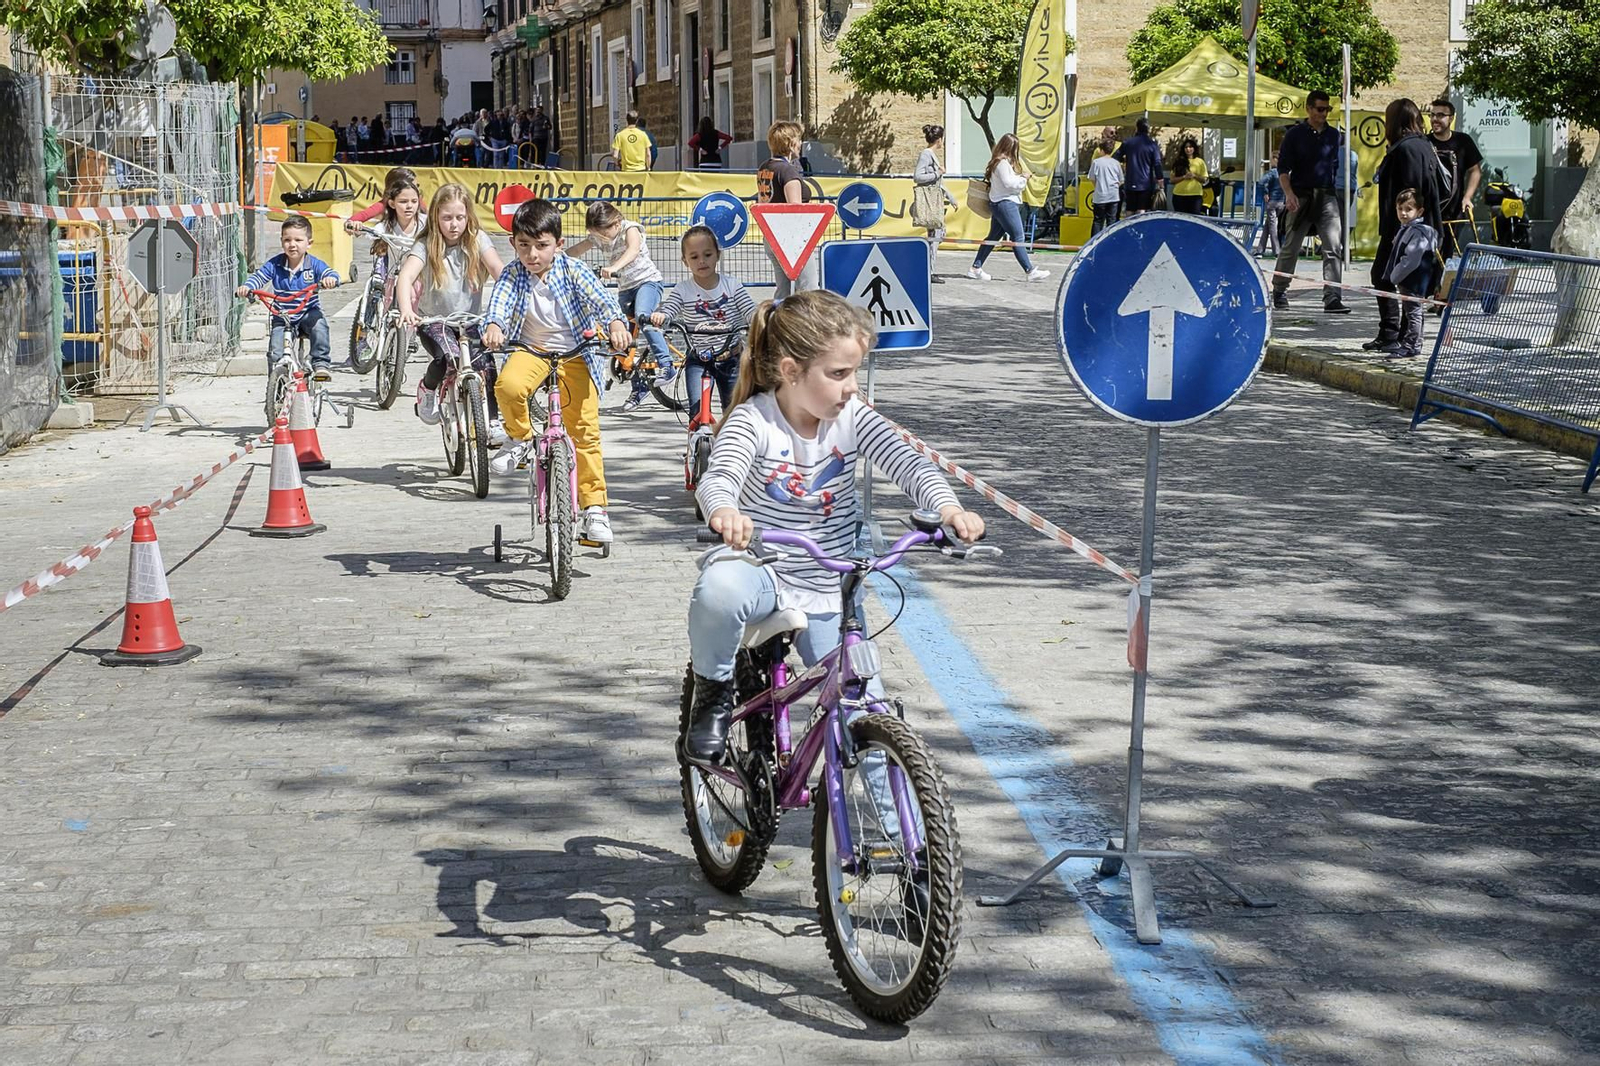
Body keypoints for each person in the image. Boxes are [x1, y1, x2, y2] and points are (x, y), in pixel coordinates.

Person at [681, 290, 986, 764]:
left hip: (829, 585)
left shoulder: (853, 419)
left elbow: (910, 464)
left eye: (855, 373)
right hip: (762, 566)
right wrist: (725, 512)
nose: (852, 388)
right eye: (839, 374)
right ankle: (713, 692)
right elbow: (720, 475)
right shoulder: (755, 421)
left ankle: (893, 834)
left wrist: (949, 511)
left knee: (865, 710)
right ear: (790, 372)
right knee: (719, 590)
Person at [481, 199, 631, 545]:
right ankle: (518, 438)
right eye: (524, 246)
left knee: (585, 433)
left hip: (576, 353)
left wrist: (615, 322)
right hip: (530, 350)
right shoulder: (512, 273)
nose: (532, 254)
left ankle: (595, 509)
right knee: (508, 386)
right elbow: (499, 305)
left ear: (559, 244)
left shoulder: (573, 270)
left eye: (541, 246)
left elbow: (603, 301)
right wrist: (494, 326)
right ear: (513, 244)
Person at [396, 182, 507, 432]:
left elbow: (498, 270)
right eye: (447, 218)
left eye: (459, 217)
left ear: (469, 216)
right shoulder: (425, 244)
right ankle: (428, 389)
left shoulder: (478, 239)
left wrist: (511, 303)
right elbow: (405, 277)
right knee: (446, 358)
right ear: (435, 216)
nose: (454, 224)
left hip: (471, 320)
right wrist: (406, 309)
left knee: (486, 365)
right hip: (434, 321)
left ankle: (492, 420)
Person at [566, 201, 674, 413]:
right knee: (621, 333)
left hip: (647, 283)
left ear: (615, 223)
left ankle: (667, 364)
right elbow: (577, 249)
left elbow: (633, 250)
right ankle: (639, 387)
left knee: (644, 317)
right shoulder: (598, 236)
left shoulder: (629, 228)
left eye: (603, 233)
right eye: (596, 234)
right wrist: (554, 256)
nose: (600, 238)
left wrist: (614, 267)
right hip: (626, 288)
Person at [648, 225, 756, 411]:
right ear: (685, 261)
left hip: (731, 358)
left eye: (707, 254)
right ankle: (696, 436)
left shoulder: (732, 286)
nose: (702, 261)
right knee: (697, 411)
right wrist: (662, 316)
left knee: (735, 413)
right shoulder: (683, 289)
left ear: (717, 255)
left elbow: (749, 310)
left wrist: (758, 318)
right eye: (694, 257)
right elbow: (670, 309)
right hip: (698, 357)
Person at [1366, 99, 1443, 352]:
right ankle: (1395, 335)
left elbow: (1411, 190)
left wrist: (1402, 228)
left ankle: (1395, 335)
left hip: (1405, 229)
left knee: (1385, 276)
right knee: (1399, 281)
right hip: (1416, 227)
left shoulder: (1406, 149)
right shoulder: (1423, 145)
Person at [1271, 90, 1350, 313]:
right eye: (1320, 109)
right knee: (1291, 246)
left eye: (1327, 109)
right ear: (1308, 109)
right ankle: (1279, 289)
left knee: (1333, 247)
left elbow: (1333, 166)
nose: (1324, 113)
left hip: (1327, 195)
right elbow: (1283, 169)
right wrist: (1289, 194)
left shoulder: (1334, 136)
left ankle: (1332, 297)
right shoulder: (1295, 135)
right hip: (1301, 194)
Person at [236, 216, 340, 381]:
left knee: (320, 325)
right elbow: (259, 277)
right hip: (282, 315)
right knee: (276, 351)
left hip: (308, 313)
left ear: (309, 243)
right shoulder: (275, 264)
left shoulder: (313, 264)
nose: (292, 244)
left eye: (298, 240)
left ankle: (321, 364)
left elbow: (330, 273)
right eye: (287, 240)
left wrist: (330, 280)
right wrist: (248, 287)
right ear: (281, 241)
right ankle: (276, 384)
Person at [967, 133, 1049, 283]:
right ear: (1011, 148)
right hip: (1005, 203)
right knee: (1018, 237)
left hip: (999, 203)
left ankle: (976, 267)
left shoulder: (997, 162)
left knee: (993, 237)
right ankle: (1029, 270)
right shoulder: (1003, 164)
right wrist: (1024, 178)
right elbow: (1009, 184)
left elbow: (1007, 182)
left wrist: (1020, 178)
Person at [756, 121, 818, 297]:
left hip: (772, 236)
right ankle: (808, 324)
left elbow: (762, 201)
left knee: (783, 291)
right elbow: (795, 211)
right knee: (809, 289)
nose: (801, 145)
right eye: (799, 140)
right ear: (791, 144)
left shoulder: (764, 168)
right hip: (792, 239)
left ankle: (777, 322)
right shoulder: (788, 171)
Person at [1382, 188, 1440, 359]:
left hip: (1412, 280)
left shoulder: (1418, 232)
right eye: (1400, 209)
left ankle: (1411, 345)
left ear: (1419, 211)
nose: (1403, 213)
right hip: (1410, 279)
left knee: (1413, 313)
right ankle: (1413, 343)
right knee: (1414, 312)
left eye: (1409, 209)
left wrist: (1395, 276)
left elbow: (1411, 259)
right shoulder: (1407, 229)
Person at [1428, 98, 1484, 269]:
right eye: (1432, 115)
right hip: (1430, 208)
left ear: (1451, 118)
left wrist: (1467, 197)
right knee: (1428, 253)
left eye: (1440, 115)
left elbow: (1475, 171)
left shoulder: (1463, 141)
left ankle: (1441, 290)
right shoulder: (1424, 142)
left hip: (1454, 210)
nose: (1435, 119)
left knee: (1447, 253)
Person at [912, 124, 956, 279]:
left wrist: (950, 197)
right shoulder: (926, 154)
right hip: (930, 201)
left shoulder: (931, 155)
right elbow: (918, 176)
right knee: (936, 233)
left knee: (937, 234)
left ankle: (929, 268)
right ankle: (929, 270)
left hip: (935, 200)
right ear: (939, 139)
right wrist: (938, 173)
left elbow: (938, 183)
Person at [1114, 118, 1164, 216]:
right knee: (1142, 210)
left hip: (1130, 181)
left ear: (1136, 128)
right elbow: (1157, 163)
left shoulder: (1128, 142)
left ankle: (1129, 230)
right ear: (1148, 129)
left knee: (1129, 210)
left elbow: (1115, 157)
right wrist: (1160, 179)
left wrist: (1126, 161)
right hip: (1145, 183)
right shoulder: (1152, 145)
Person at [1087, 141, 1124, 237]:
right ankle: (1110, 241)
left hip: (1100, 196)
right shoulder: (1116, 163)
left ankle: (1094, 243)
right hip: (1113, 195)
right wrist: (1116, 186)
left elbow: (1091, 178)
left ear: (1102, 150)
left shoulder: (1096, 162)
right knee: (1111, 220)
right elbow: (1121, 180)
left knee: (1098, 221)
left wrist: (1097, 186)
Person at [1255, 155, 1285, 257]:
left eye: (1272, 159)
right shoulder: (1285, 172)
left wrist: (1266, 191)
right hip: (1282, 202)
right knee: (1267, 226)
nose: (1270, 161)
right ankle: (1260, 250)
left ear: (1275, 160)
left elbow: (1261, 181)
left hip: (1272, 201)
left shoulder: (1273, 172)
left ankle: (1276, 251)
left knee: (1272, 227)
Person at [1171, 138, 1206, 214]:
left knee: (1195, 218)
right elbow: (1172, 180)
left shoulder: (1200, 161)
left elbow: (1204, 180)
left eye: (1190, 147)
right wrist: (1184, 177)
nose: (1188, 149)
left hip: (1195, 195)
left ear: (1194, 148)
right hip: (1179, 195)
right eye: (1186, 147)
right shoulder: (1178, 162)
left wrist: (1194, 176)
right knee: (1181, 220)